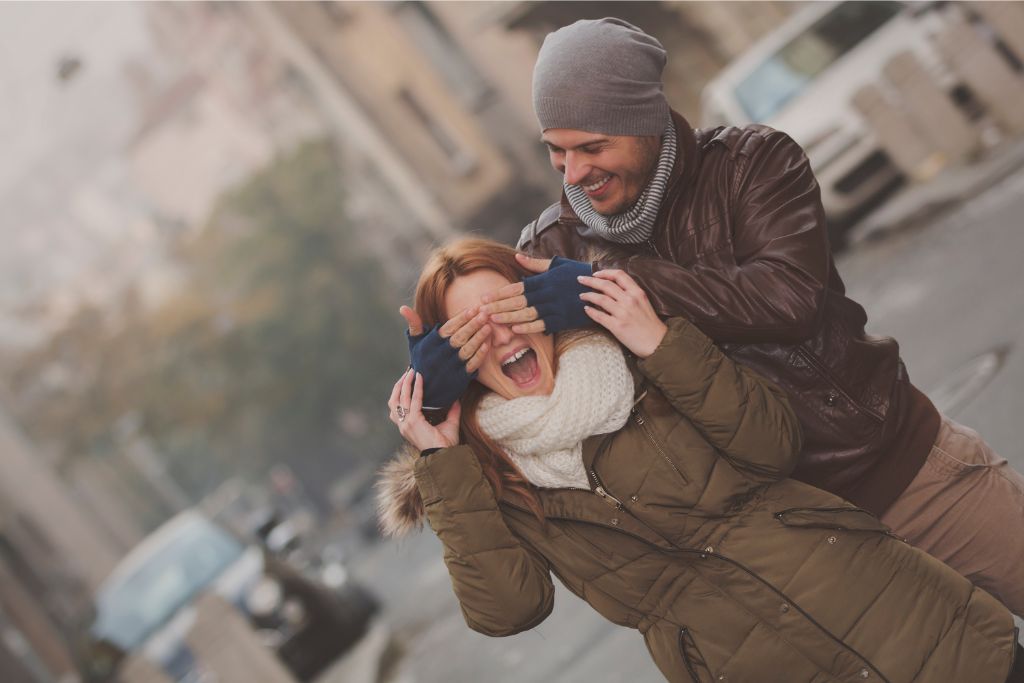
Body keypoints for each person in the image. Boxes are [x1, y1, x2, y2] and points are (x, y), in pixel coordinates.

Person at [474, 18, 1024, 615]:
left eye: (592, 147)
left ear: (646, 121)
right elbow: (509, 383)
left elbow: (789, 300)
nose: (573, 173)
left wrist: (626, 287)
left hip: (909, 475)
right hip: (795, 553)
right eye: (556, 150)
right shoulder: (552, 251)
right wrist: (438, 374)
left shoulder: (752, 163)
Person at [378, 237, 1022, 683]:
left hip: (901, 614)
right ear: (454, 364)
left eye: (511, 308)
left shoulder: (640, 361)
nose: (505, 335)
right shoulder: (485, 478)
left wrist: (652, 335)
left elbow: (772, 443)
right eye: (472, 333)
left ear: (542, 304)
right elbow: (508, 609)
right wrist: (441, 460)